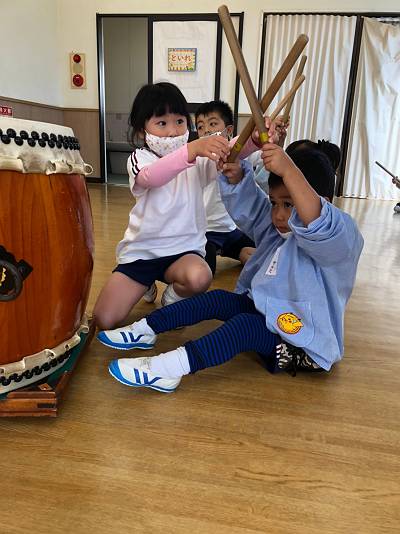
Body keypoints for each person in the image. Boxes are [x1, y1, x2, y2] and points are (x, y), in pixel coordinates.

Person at [97, 141, 364, 393]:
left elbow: (320, 221)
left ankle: (167, 369)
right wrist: (237, 179)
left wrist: (290, 170)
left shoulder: (341, 236)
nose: (279, 214)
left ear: (324, 201)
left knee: (245, 327)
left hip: (304, 346)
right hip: (269, 314)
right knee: (219, 299)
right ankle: (146, 329)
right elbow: (254, 208)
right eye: (275, 203)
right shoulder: (278, 228)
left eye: (289, 204)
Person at [93, 82, 261, 329]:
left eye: (180, 121)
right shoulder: (140, 158)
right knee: (104, 319)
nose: (173, 131)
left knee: (200, 276)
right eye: (162, 123)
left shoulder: (198, 160)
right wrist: (191, 150)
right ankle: (146, 283)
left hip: (183, 253)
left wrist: (254, 139)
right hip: (142, 254)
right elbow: (151, 177)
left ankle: (171, 299)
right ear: (142, 130)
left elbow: (231, 149)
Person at [195, 100, 256, 275]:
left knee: (262, 253)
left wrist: (275, 137)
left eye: (212, 124)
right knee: (205, 272)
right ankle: (215, 251)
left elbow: (262, 151)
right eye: (200, 127)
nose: (206, 130)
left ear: (228, 130)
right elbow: (232, 147)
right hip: (206, 232)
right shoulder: (200, 159)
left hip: (231, 230)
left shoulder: (240, 155)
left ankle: (235, 251)